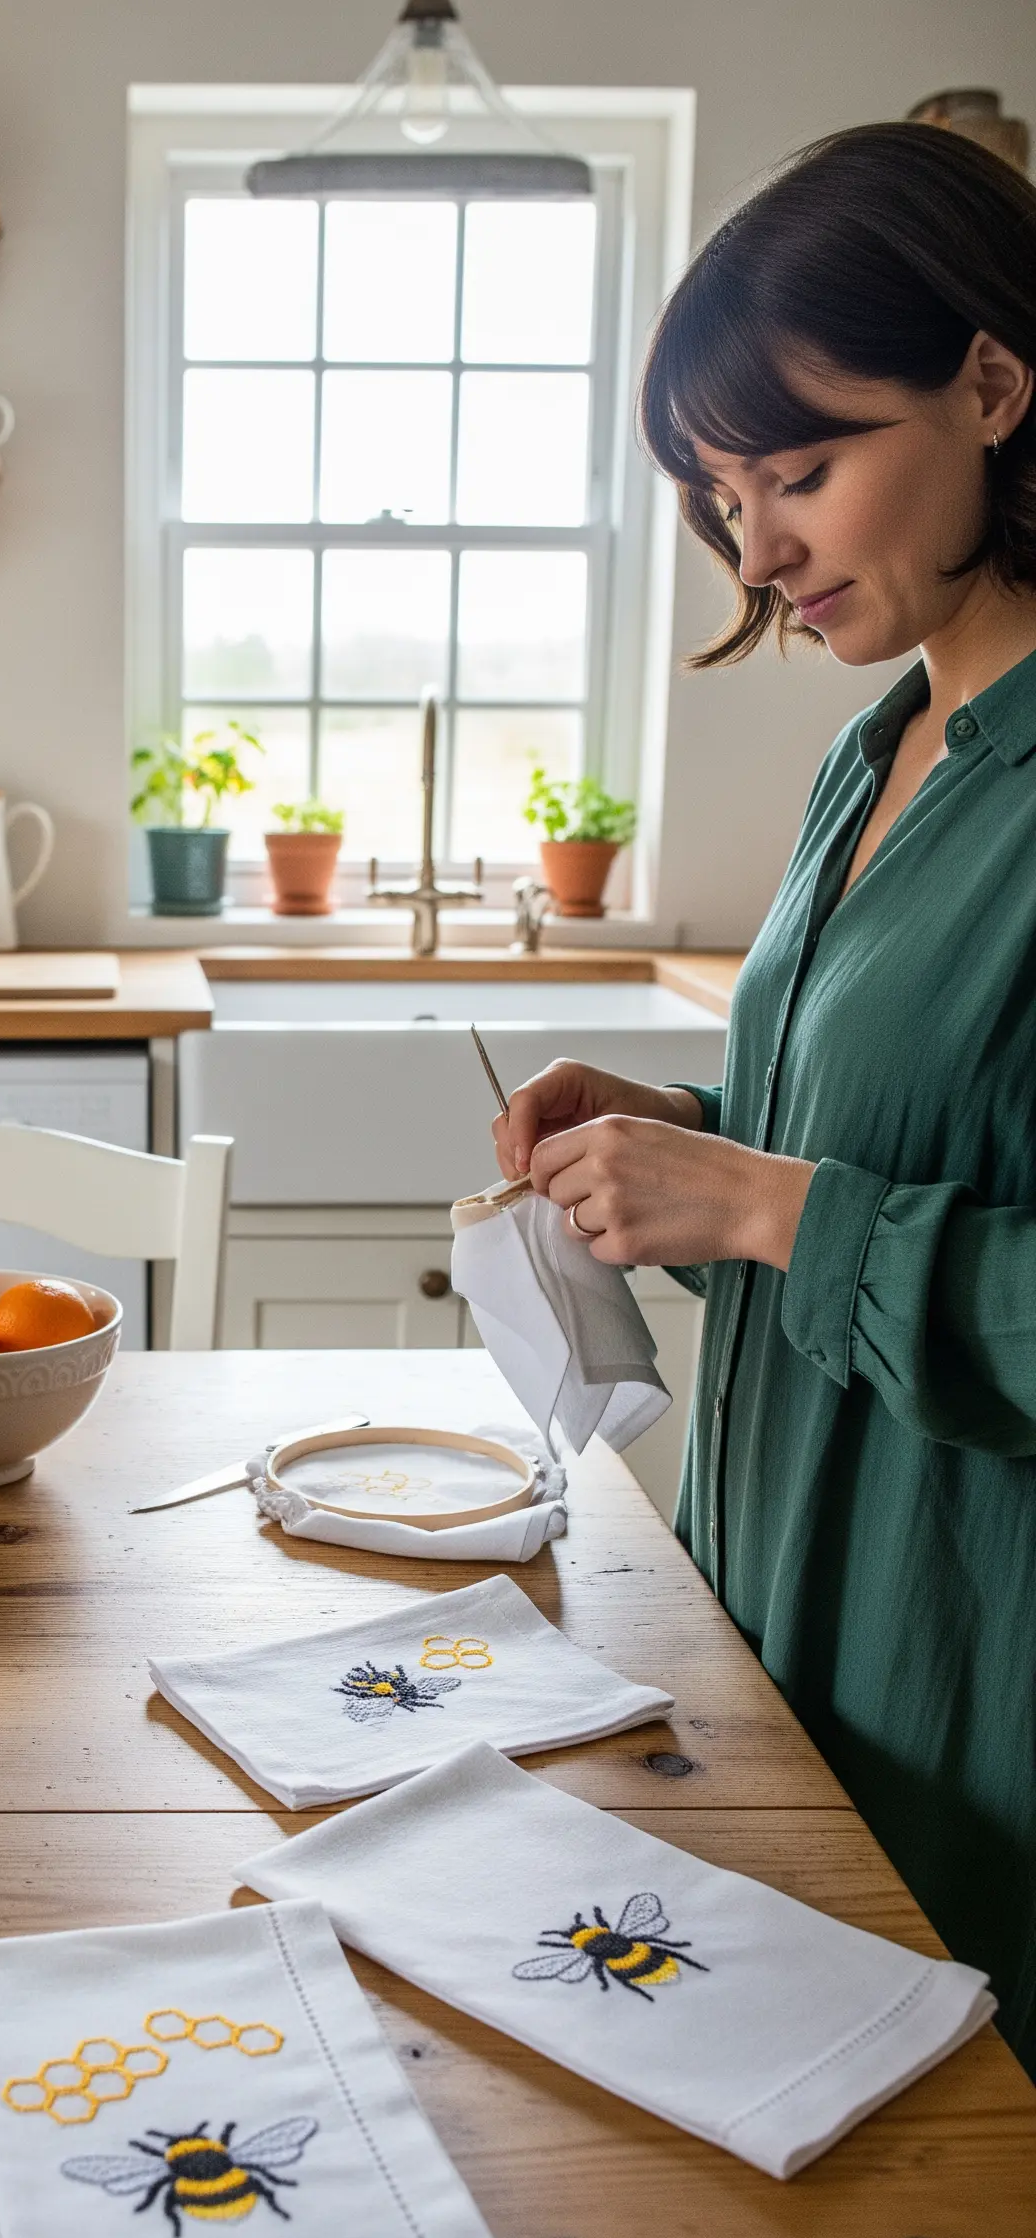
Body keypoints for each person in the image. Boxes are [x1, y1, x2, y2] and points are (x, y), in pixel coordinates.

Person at [492, 122, 1036, 2075]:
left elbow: (836, 1208)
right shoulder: (872, 752)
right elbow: (894, 1126)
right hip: (781, 1635)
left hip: (973, 1683)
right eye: (723, 496)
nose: (757, 551)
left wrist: (758, 1204)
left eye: (798, 470)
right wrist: (667, 1131)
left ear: (989, 382)